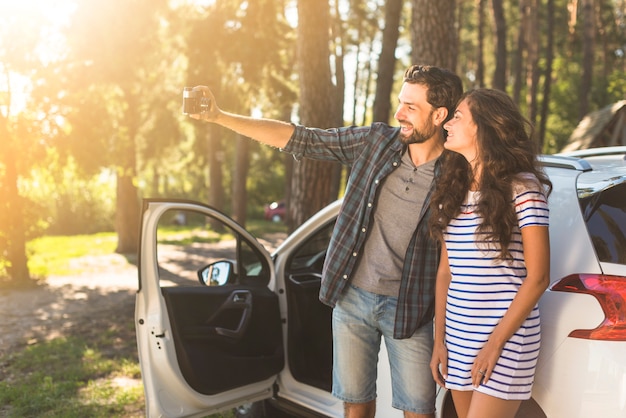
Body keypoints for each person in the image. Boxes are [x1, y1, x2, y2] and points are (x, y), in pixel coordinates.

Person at [189, 64, 463, 418]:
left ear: (439, 114)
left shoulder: (458, 172)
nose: (399, 114)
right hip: (352, 301)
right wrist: (220, 116)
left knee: (418, 410)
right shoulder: (376, 142)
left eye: (411, 107)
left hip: (412, 310)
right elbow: (300, 138)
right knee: (355, 405)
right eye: (400, 102)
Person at [428, 88, 552, 418]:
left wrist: (494, 345)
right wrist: (439, 341)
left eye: (458, 116)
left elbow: (538, 278)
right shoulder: (451, 190)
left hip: (505, 339)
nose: (448, 123)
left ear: (483, 127)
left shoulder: (522, 188)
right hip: (457, 335)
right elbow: (446, 273)